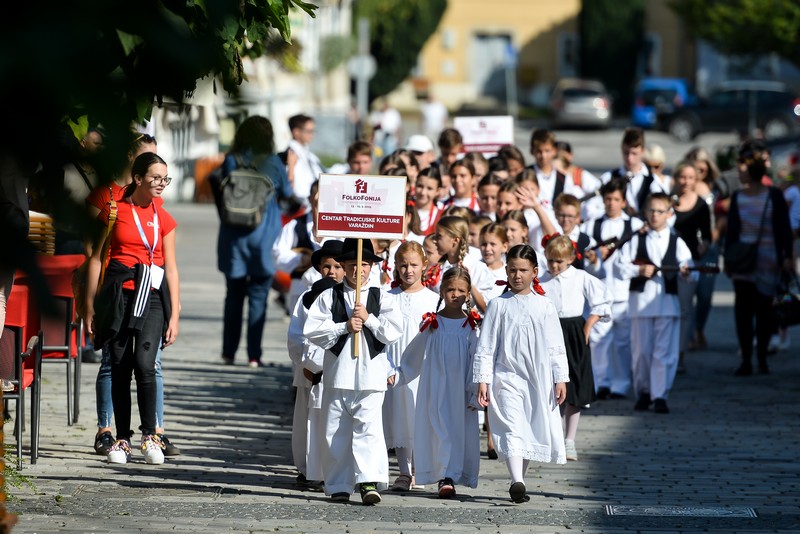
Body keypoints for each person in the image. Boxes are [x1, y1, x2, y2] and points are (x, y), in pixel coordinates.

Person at [84, 132, 179, 457]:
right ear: (138, 177)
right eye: (156, 177)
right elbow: (95, 257)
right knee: (120, 364)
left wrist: (175, 313)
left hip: (151, 296)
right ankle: (120, 437)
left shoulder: (163, 216)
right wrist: (89, 306)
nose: (161, 183)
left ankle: (151, 435)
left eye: (165, 178)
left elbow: (172, 268)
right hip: (119, 294)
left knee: (146, 363)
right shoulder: (114, 211)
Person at [303, 238, 403, 505]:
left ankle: (368, 480)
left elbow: (393, 331)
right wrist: (344, 327)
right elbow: (312, 331)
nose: (359, 270)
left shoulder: (382, 296)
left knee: (368, 430)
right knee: (335, 430)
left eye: (365, 265)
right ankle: (338, 484)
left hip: (371, 376)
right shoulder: (329, 296)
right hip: (339, 373)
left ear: (372, 267)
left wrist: (369, 319)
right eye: (352, 265)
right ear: (344, 267)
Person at [475, 244, 569, 504]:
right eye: (513, 270)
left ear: (535, 271)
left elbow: (555, 345)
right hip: (506, 376)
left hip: (536, 378)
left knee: (527, 428)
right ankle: (516, 480)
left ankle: (520, 481)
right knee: (512, 425)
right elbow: (486, 346)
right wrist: (483, 379)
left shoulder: (545, 306)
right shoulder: (497, 305)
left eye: (523, 270)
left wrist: (560, 377)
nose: (517, 275)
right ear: (506, 271)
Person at [217, 116, 294, 367]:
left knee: (233, 296)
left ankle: (228, 353)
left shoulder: (232, 159)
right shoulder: (273, 162)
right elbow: (287, 195)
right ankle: (253, 356)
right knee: (259, 296)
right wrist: (288, 168)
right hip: (264, 236)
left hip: (234, 236)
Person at [397, 267, 480, 498]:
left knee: (457, 430)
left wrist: (476, 391)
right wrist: (400, 374)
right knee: (439, 427)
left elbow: (477, 360)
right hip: (436, 386)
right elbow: (414, 353)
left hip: (461, 389)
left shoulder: (471, 327)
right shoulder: (434, 324)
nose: (455, 294)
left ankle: (450, 476)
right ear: (441, 291)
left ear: (468, 293)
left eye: (461, 290)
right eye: (450, 289)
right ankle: (443, 474)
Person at [614, 192, 694, 414]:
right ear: (645, 212)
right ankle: (644, 391)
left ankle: (660, 394)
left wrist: (686, 272)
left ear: (669, 214)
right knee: (641, 352)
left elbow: (689, 266)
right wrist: (638, 270)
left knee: (664, 352)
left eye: (660, 211)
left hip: (667, 303)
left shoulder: (676, 240)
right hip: (640, 303)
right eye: (651, 211)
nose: (655, 215)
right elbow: (619, 266)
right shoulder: (637, 239)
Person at [723, 140, 793, 376]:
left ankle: (761, 357)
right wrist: (729, 262)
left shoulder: (774, 196)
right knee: (743, 313)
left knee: (765, 312)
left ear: (751, 172)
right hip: (744, 262)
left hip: (768, 262)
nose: (739, 173)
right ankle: (746, 359)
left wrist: (787, 257)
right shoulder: (738, 198)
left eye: (742, 169)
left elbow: (783, 230)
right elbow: (732, 233)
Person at [540, 236, 611, 461]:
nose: (554, 266)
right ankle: (552, 436)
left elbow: (602, 298)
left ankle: (570, 439)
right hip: (550, 333)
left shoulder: (580, 277)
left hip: (574, 332)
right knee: (550, 384)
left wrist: (589, 323)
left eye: (559, 261)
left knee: (575, 384)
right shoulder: (541, 280)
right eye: (551, 260)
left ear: (571, 258)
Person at [286, 240, 344, 487]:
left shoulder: (350, 299)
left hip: (339, 371)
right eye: (327, 266)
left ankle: (332, 468)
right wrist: (309, 364)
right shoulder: (308, 298)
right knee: (306, 422)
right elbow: (296, 335)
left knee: (333, 422)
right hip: (309, 371)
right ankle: (307, 467)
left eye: (338, 266)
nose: (332, 272)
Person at [382, 242, 439, 492]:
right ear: (395, 266)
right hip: (393, 365)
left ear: (424, 266)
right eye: (403, 265)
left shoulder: (433, 299)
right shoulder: (386, 297)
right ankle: (403, 471)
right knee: (398, 416)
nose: (408, 270)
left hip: (422, 368)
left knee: (419, 415)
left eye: (414, 265)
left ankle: (419, 468)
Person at [581, 177, 645, 400]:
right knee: (598, 341)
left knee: (622, 342)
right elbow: (587, 259)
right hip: (599, 294)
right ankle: (600, 382)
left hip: (624, 292)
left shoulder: (635, 226)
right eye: (608, 199)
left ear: (624, 201)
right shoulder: (591, 225)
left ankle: (621, 383)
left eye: (616, 199)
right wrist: (594, 259)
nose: (611, 203)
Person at [671, 162, 712, 372]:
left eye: (690, 178)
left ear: (695, 181)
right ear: (676, 178)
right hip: (668, 265)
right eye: (682, 177)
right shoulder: (668, 202)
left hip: (689, 264)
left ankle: (679, 356)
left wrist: (702, 248)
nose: (685, 182)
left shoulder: (701, 205)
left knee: (685, 311)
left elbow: (707, 235)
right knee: (667, 310)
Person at [273, 180, 324, 314]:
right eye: (318, 197)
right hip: (301, 289)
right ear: (310, 198)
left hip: (330, 291)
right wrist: (300, 259)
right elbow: (277, 254)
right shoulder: (295, 225)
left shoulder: (341, 228)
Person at [431, 215, 495, 312]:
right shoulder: (436, 267)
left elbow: (486, 308)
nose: (434, 240)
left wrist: (469, 284)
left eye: (439, 236)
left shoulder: (477, 267)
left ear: (455, 240)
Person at [600, 127, 665, 217]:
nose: (629, 159)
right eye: (626, 153)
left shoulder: (653, 181)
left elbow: (665, 211)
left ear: (642, 151)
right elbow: (594, 207)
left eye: (634, 153)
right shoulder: (608, 178)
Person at [528, 129, 583, 212]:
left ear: (554, 151)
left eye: (547, 151)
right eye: (539, 151)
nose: (543, 156)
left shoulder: (563, 178)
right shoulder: (526, 175)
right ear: (532, 151)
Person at [284, 114, 324, 207]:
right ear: (296, 132)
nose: (312, 135)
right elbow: (290, 188)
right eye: (309, 131)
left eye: (313, 131)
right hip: (300, 209)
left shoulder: (309, 155)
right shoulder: (289, 155)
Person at [414, 166, 443, 235]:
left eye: (429, 188)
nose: (423, 192)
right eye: (420, 186)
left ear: (437, 191)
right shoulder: (405, 211)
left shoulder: (440, 216)